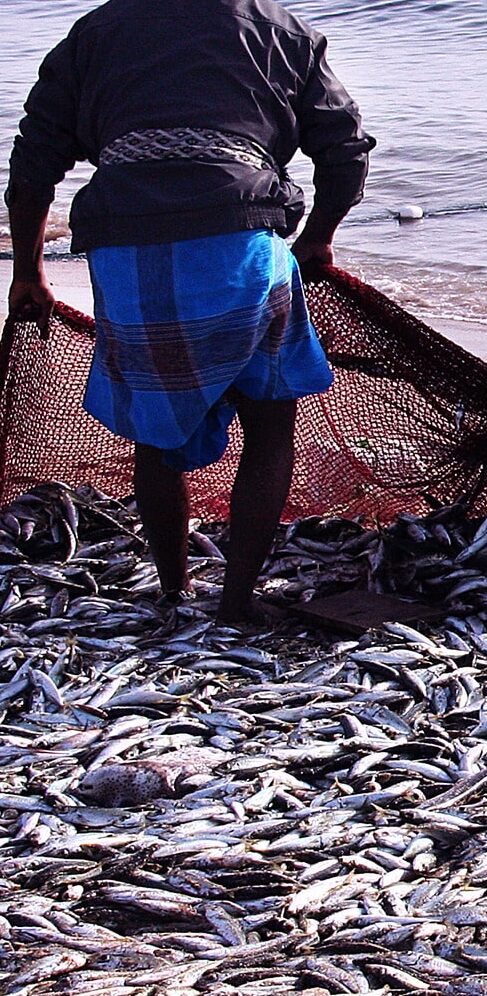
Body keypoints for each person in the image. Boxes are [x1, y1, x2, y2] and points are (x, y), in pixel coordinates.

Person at [6, 0, 374, 624]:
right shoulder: (282, 29)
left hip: (127, 251)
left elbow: (33, 161)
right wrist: (318, 235)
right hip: (242, 241)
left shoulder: (97, 30)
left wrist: (26, 270)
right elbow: (346, 151)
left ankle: (174, 590)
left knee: (156, 429)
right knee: (268, 424)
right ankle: (235, 601)